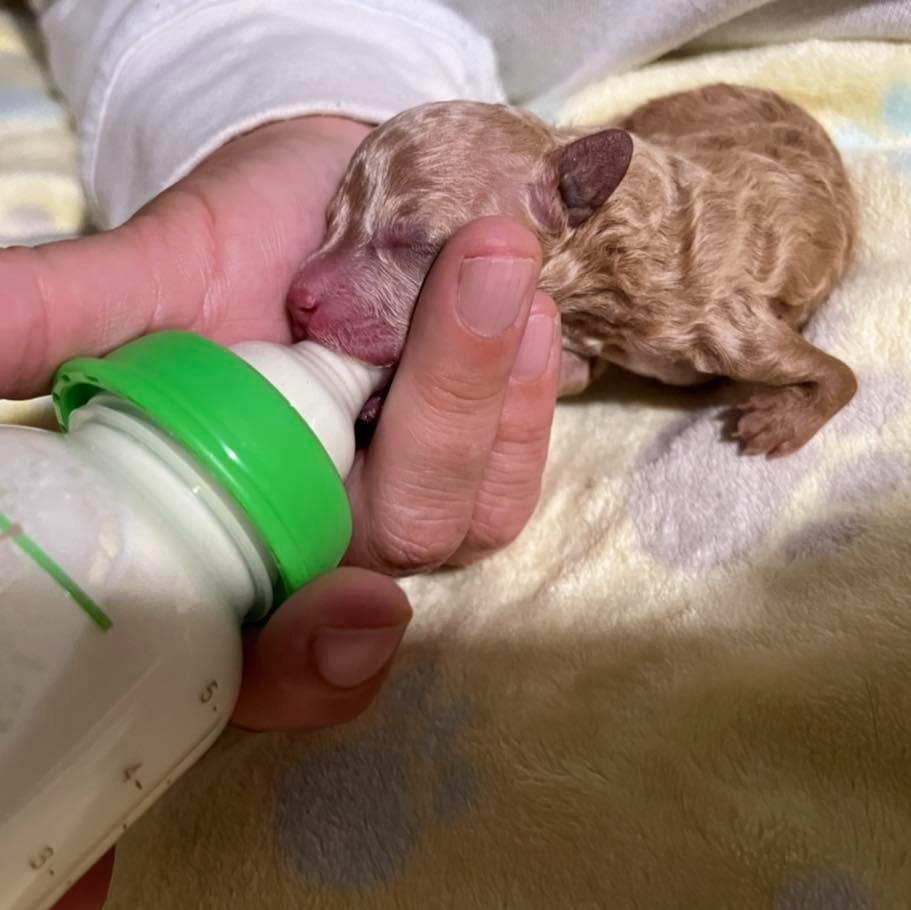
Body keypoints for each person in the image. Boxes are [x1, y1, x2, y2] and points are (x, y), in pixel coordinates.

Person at [8, 2, 906, 907]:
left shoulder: (697, 308)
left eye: (412, 248)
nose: (309, 290)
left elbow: (818, 377)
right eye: (340, 225)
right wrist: (295, 118)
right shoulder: (550, 203)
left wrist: (795, 408)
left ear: (577, 202)